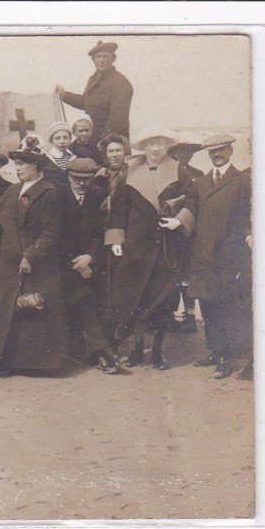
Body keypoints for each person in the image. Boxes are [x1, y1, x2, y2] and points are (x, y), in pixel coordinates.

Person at [105, 125, 193, 369]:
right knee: (135, 297)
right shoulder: (128, 173)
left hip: (168, 247)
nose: (155, 149)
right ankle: (136, 348)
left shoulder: (179, 171)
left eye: (161, 143)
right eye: (151, 143)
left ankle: (158, 351)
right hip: (136, 247)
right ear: (143, 147)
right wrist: (116, 240)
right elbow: (119, 210)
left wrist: (180, 219)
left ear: (167, 146)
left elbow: (193, 199)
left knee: (164, 298)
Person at [171, 134, 253, 379]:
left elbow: (245, 218)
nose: (216, 155)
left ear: (229, 151)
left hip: (229, 256)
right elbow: (192, 210)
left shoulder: (241, 181)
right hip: (203, 255)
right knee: (207, 307)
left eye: (221, 150)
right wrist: (177, 218)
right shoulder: (201, 183)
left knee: (227, 306)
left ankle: (227, 358)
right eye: (212, 152)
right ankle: (215, 351)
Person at [0, 149, 66, 377]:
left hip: (36, 263)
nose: (17, 169)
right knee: (7, 309)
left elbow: (51, 232)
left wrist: (31, 255)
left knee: (32, 310)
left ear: (36, 167)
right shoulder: (15, 189)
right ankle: (2, 361)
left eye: (22, 165)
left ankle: (38, 364)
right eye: (16, 165)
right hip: (10, 261)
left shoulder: (48, 193)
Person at [59, 157, 120, 374]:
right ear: (69, 176)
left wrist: (89, 258)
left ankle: (101, 352)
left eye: (87, 180)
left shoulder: (97, 198)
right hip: (63, 265)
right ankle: (103, 352)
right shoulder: (58, 197)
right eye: (77, 179)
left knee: (101, 295)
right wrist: (77, 262)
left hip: (88, 262)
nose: (82, 184)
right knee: (82, 295)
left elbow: (99, 234)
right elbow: (55, 237)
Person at [166, 139, 206, 334]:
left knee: (188, 275)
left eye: (188, 153)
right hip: (169, 232)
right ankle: (172, 315)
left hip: (189, 232)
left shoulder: (198, 175)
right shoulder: (168, 174)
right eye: (180, 153)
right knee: (172, 274)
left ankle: (189, 315)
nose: (184, 156)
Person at [57, 41, 134, 142]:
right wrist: (64, 95)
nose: (101, 60)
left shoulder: (120, 82)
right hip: (97, 135)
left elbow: (117, 120)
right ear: (93, 60)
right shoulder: (94, 79)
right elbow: (86, 102)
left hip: (114, 140)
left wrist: (104, 142)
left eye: (106, 56)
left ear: (113, 59)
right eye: (98, 57)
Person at [42, 121, 76, 190]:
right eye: (57, 138)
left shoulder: (74, 157)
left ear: (70, 139)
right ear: (51, 140)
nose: (62, 141)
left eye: (65, 138)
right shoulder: (46, 158)